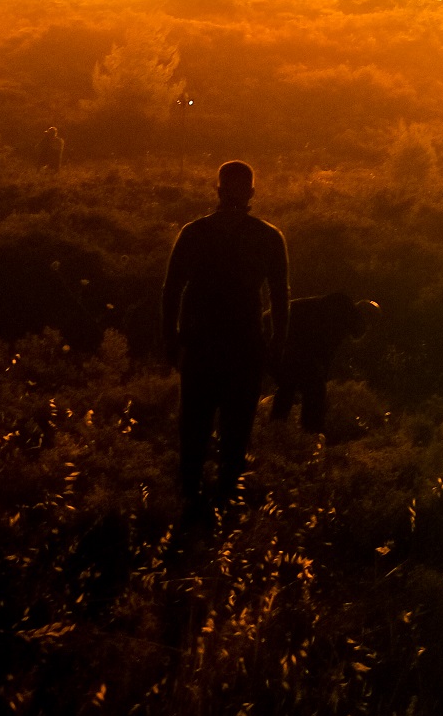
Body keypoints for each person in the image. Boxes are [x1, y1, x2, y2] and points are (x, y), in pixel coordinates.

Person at [161, 160, 289, 510]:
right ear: (251, 192)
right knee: (236, 436)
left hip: (200, 348)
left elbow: (171, 290)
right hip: (245, 350)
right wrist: (277, 346)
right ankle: (225, 507)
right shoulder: (267, 237)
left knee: (194, 431)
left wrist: (172, 340)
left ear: (218, 191)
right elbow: (280, 296)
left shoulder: (194, 233)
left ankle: (190, 505)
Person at [268, 293, 379, 439]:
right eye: (369, 323)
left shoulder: (341, 314)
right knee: (314, 386)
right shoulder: (339, 314)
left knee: (290, 383)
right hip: (276, 335)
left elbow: (324, 354)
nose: (367, 329)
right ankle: (311, 433)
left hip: (277, 335)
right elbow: (321, 351)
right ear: (363, 316)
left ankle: (276, 431)